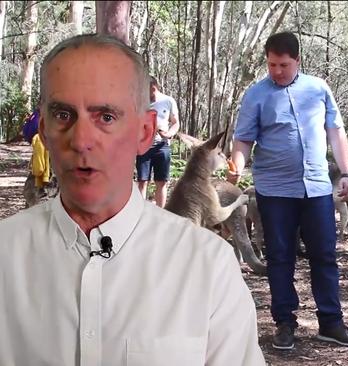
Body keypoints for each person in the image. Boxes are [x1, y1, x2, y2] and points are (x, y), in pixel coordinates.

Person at [0, 34, 265, 365]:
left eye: (106, 117)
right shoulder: (6, 256)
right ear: (43, 128)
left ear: (144, 132)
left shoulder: (207, 266)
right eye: (64, 115)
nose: (82, 141)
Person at [227, 31, 348, 350]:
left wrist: (346, 173)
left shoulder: (318, 89)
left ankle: (330, 322)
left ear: (298, 61)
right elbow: (244, 139)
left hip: (316, 187)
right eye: (272, 64)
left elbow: (336, 133)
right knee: (280, 257)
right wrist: (235, 168)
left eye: (284, 65)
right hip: (274, 190)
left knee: (324, 254)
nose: (277, 71)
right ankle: (285, 323)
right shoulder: (256, 95)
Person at [135, 76, 180, 207]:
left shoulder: (168, 101)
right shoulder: (140, 103)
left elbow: (175, 123)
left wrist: (169, 134)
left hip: (162, 146)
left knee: (161, 181)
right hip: (144, 145)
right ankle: (141, 213)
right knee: (142, 180)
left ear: (153, 87)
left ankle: (160, 212)